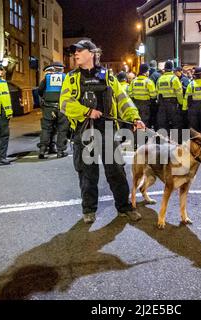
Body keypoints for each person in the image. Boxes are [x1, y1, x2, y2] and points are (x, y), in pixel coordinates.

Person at [60, 39, 145, 224]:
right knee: (87, 172)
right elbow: (64, 104)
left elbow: (123, 99)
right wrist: (87, 112)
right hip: (84, 130)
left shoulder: (108, 76)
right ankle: (89, 210)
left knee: (116, 170)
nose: (75, 54)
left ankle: (124, 207)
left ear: (91, 53)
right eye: (74, 52)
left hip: (107, 129)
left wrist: (134, 118)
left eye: (80, 51)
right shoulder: (71, 78)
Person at [37, 62, 70, 159]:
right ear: (62, 70)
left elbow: (39, 90)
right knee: (62, 129)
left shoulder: (47, 78)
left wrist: (46, 97)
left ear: (54, 69)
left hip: (48, 107)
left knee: (46, 128)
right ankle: (60, 151)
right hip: (62, 107)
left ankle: (42, 149)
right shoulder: (66, 77)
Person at [156, 60, 184, 140]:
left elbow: (157, 92)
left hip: (162, 105)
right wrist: (181, 103)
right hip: (172, 105)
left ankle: (163, 142)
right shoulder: (174, 79)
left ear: (164, 69)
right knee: (176, 124)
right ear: (172, 69)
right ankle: (175, 143)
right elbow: (179, 93)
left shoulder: (160, 79)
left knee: (163, 124)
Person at [128, 63, 156, 137]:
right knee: (144, 122)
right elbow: (153, 95)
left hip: (135, 104)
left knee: (136, 122)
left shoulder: (134, 81)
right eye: (148, 71)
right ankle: (142, 140)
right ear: (145, 72)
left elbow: (130, 93)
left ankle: (135, 138)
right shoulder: (149, 82)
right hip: (145, 105)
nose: (149, 72)